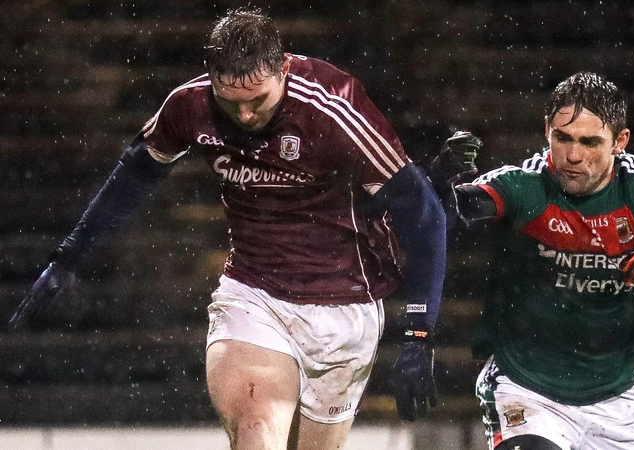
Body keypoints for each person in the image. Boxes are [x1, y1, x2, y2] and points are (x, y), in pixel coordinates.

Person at [11, 7, 442, 450]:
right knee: (255, 430)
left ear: (283, 70)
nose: (246, 115)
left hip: (345, 308)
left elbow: (424, 216)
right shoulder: (190, 105)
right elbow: (135, 174)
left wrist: (419, 332)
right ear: (211, 76)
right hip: (254, 296)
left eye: (258, 100)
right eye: (231, 101)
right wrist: (69, 257)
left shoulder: (334, 110)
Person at [428, 72, 634, 450]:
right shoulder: (523, 184)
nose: (573, 156)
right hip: (527, 392)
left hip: (618, 402)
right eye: (562, 138)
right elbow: (447, 213)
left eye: (590, 142)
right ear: (546, 129)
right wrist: (439, 179)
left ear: (620, 142)